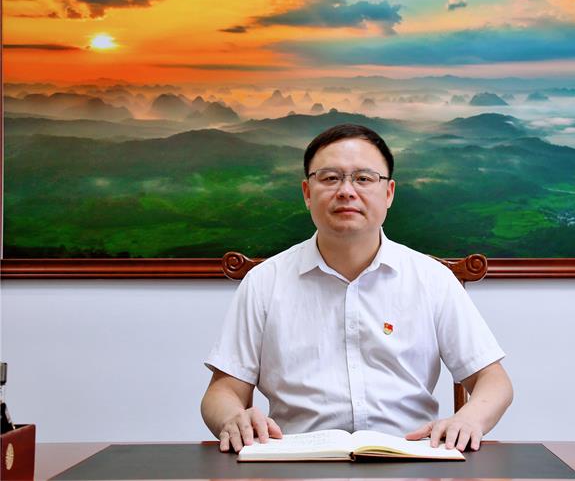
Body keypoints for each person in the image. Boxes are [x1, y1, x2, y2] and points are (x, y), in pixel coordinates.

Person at [201, 123, 513, 454]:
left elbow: (493, 380)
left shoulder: (432, 279)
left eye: (363, 179)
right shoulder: (265, 281)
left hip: (411, 459)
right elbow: (223, 390)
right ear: (307, 193)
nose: (346, 191)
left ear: (389, 193)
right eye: (330, 178)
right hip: (297, 461)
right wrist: (233, 418)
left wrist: (469, 420)